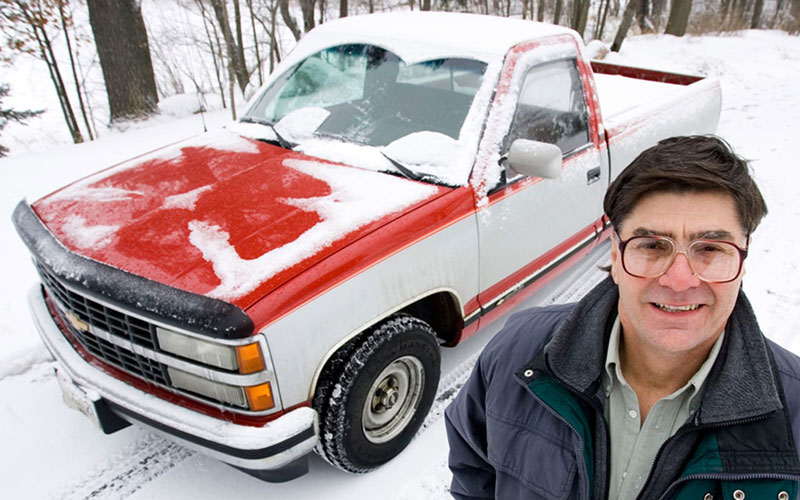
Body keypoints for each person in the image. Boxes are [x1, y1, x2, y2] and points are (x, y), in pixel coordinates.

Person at [445, 135, 800, 500]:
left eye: (710, 249)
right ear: (616, 254)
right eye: (652, 245)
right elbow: (474, 473)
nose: (679, 280)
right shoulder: (517, 353)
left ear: (742, 260)